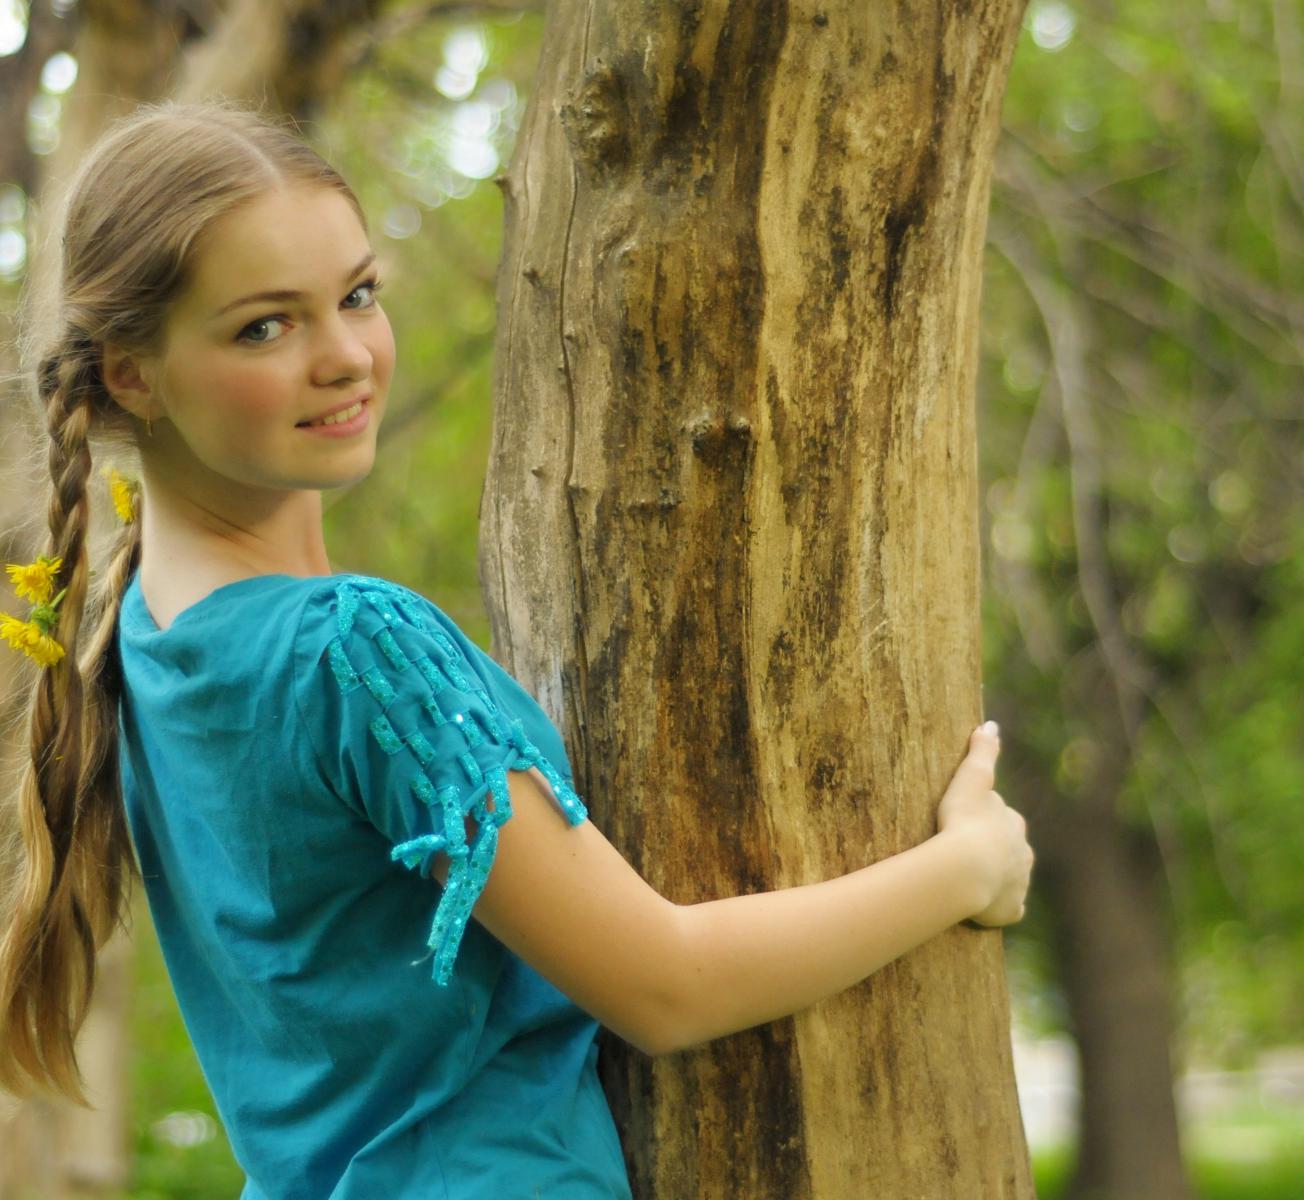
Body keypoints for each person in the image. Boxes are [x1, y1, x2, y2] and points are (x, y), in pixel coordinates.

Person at [0, 98, 1035, 1198]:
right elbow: (665, 988)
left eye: (357, 296)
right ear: (131, 374)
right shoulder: (353, 646)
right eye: (265, 327)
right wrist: (965, 866)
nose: (345, 356)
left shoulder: (139, 635)